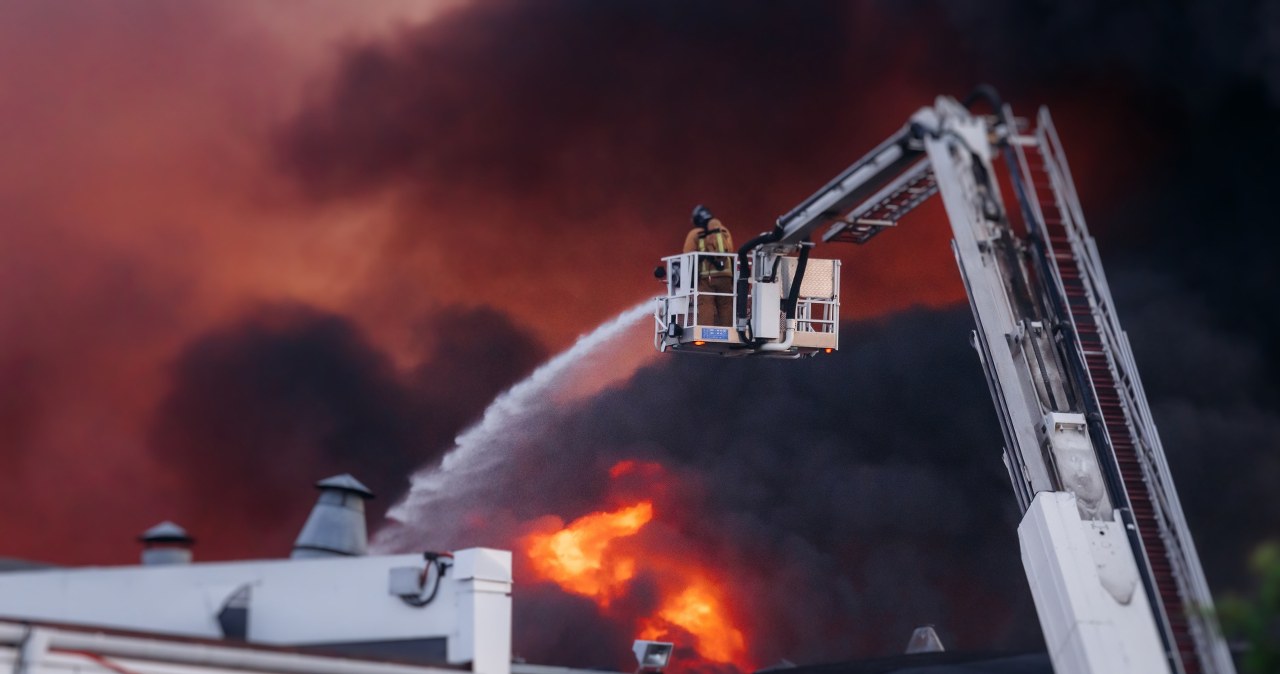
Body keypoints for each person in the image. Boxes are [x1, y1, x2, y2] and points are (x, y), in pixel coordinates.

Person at [682, 204, 735, 326]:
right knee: (726, 304)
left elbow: (687, 254)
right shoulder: (724, 231)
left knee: (705, 303)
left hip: (707, 277)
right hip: (726, 275)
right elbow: (730, 250)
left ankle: (705, 331)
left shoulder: (696, 233)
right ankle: (727, 330)